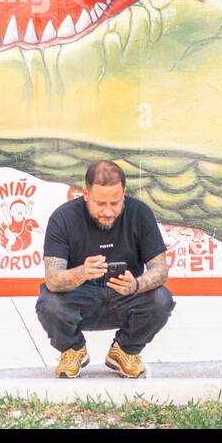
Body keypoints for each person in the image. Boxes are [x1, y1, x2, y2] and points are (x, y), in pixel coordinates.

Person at [35, 160, 174, 379]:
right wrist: (81, 272)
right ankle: (73, 350)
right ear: (86, 194)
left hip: (125, 295)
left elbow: (160, 269)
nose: (108, 211)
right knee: (48, 302)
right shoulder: (63, 218)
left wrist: (136, 284)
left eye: (115, 203)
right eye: (100, 203)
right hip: (80, 297)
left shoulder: (140, 213)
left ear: (124, 194)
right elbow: (52, 279)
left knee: (161, 299)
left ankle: (125, 351)